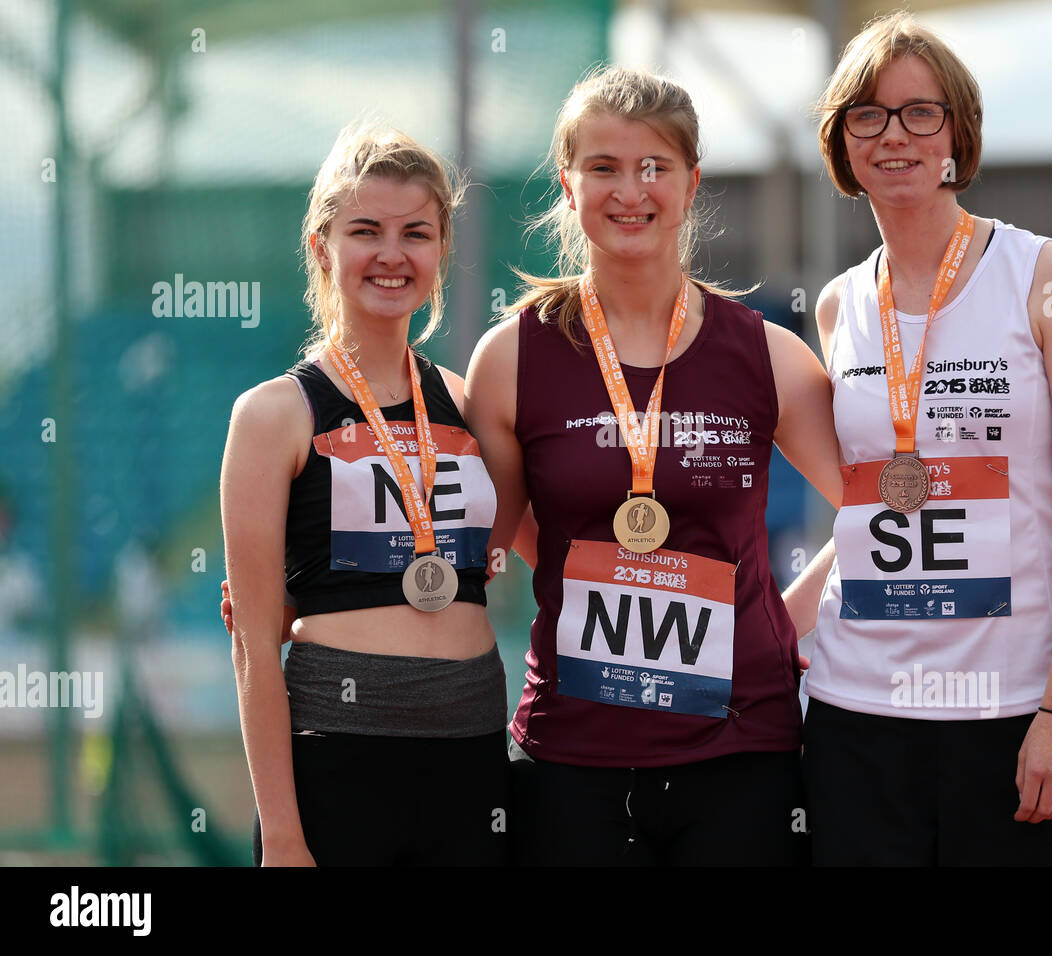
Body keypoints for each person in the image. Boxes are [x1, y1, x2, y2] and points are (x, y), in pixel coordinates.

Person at [464, 66, 842, 866]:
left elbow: (880, 506)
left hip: (741, 751)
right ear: (568, 184)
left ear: (691, 183)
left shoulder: (766, 354)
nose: (629, 190)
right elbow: (488, 539)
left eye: (654, 167)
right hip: (573, 753)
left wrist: (785, 621)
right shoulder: (511, 358)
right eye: (602, 166)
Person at [783, 11, 1052, 865]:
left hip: (1008, 716)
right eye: (868, 115)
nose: (893, 135)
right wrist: (774, 626)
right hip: (856, 713)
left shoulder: (1051, 277)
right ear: (843, 140)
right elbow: (870, 511)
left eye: (919, 112)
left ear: (957, 131)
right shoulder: (837, 305)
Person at [220, 122, 507, 866]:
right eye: (365, 230)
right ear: (322, 246)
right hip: (339, 757)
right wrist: (282, 834)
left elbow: (515, 540)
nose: (391, 254)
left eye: (416, 232)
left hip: (472, 752)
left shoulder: (468, 401)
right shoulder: (272, 415)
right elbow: (253, 645)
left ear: (441, 250)